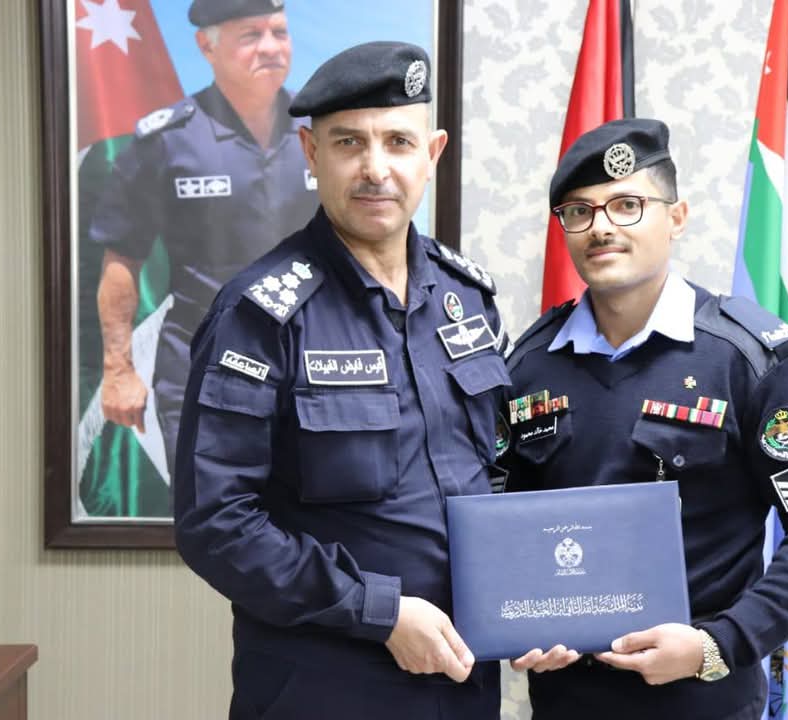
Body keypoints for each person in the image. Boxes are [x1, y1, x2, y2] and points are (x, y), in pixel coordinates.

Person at [174, 41, 508, 719]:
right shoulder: (259, 314)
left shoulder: (467, 299)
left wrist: (533, 595)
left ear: (432, 154)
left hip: (463, 679)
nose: (375, 168)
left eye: (398, 142)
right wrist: (378, 612)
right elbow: (216, 522)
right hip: (326, 685)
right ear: (311, 152)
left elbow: (495, 473)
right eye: (349, 142)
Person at [500, 118, 788, 719]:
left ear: (676, 217)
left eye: (627, 205)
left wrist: (717, 644)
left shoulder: (746, 359)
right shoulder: (529, 367)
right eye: (580, 212)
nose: (602, 228)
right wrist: (518, 619)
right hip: (568, 703)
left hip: (705, 701)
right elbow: (501, 526)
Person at [92, 0, 318, 476]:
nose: (271, 47)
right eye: (250, 36)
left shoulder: (320, 133)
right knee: (210, 516)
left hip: (311, 369)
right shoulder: (167, 139)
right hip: (204, 371)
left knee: (312, 512)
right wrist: (118, 369)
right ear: (206, 46)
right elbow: (122, 258)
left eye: (279, 32)